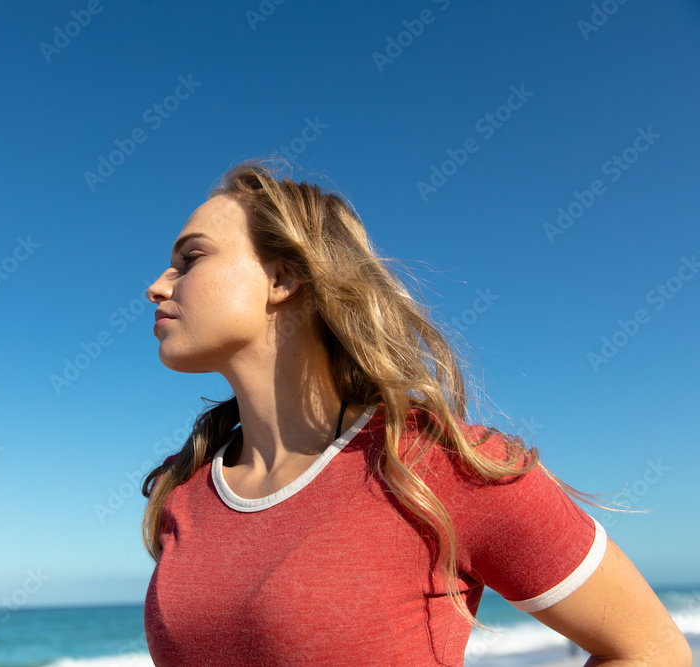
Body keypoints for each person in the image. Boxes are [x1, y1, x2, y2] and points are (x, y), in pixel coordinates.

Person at [138, 158, 691, 666]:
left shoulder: (440, 467)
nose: (156, 287)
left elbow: (652, 651)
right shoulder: (183, 491)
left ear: (283, 277)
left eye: (190, 259)